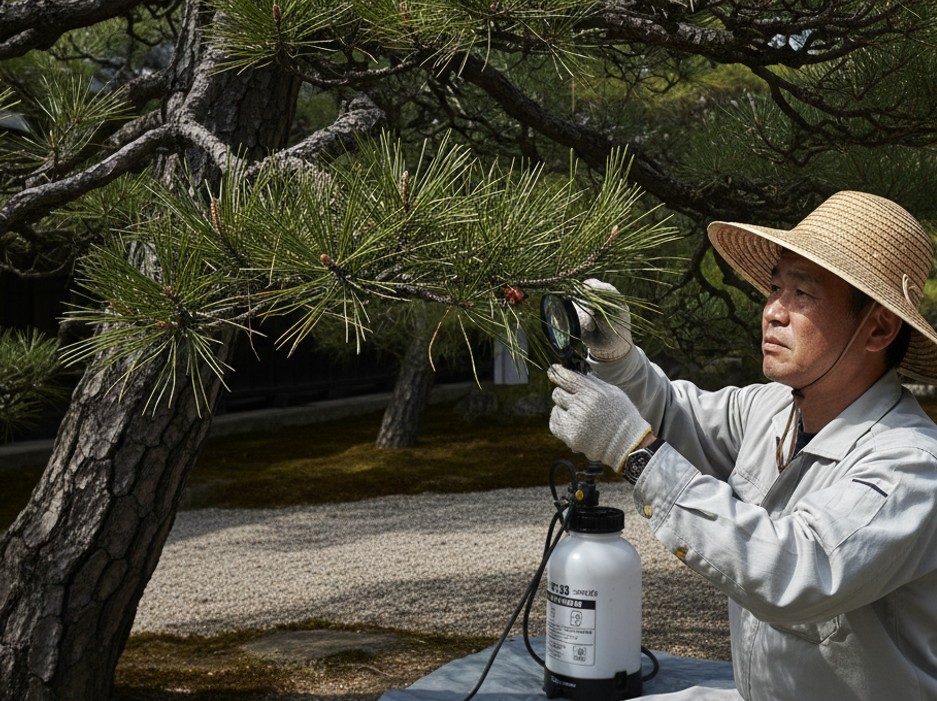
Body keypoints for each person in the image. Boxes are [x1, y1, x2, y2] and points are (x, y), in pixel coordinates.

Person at [548, 190, 937, 700]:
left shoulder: (911, 465)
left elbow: (798, 571)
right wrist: (619, 359)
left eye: (803, 295)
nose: (773, 312)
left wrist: (635, 452)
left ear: (878, 328)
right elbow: (673, 415)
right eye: (775, 289)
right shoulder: (772, 409)